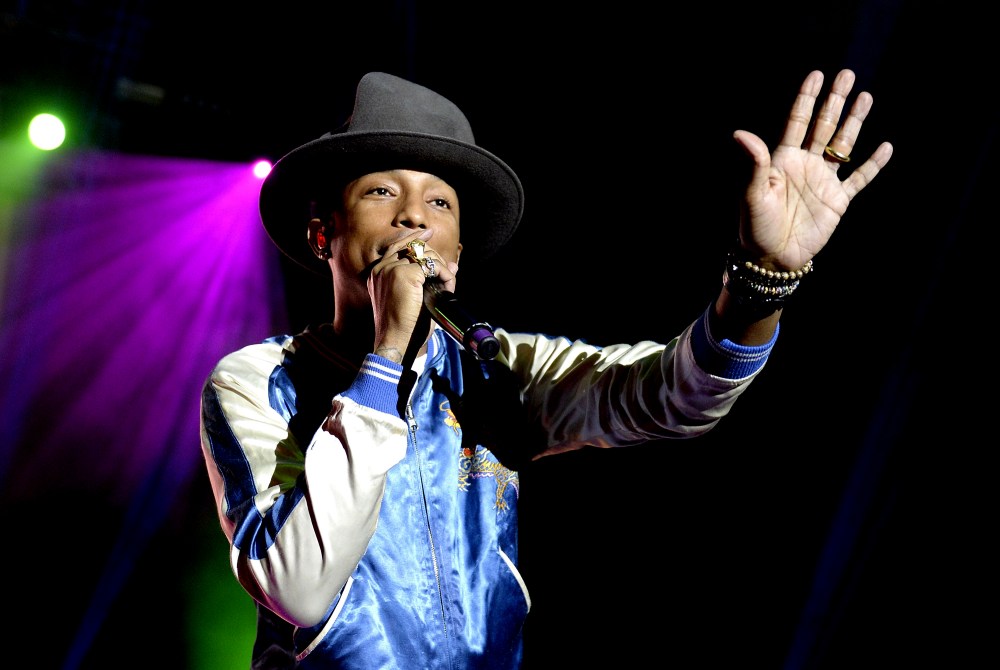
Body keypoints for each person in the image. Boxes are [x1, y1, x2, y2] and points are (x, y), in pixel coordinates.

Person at [199, 69, 892, 669]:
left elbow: (673, 395)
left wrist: (761, 279)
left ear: (459, 250)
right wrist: (384, 359)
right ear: (324, 233)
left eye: (440, 202)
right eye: (381, 192)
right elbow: (299, 587)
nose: (415, 217)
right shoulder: (257, 380)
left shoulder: (496, 366)